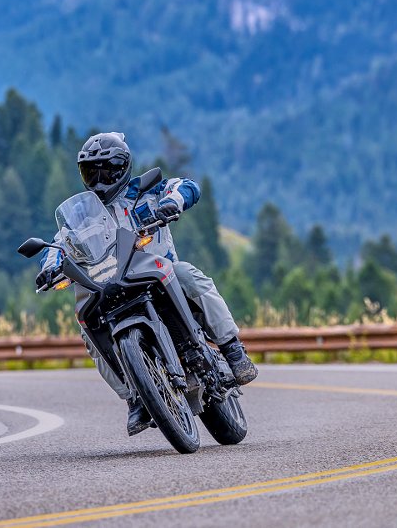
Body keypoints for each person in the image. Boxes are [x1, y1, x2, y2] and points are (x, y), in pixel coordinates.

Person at [36, 131, 258, 436]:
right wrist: (49, 267)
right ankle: (133, 398)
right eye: (91, 171)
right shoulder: (82, 216)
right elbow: (59, 244)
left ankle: (233, 349)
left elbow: (186, 186)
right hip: (109, 287)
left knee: (189, 275)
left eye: (107, 169)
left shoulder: (146, 191)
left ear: (123, 166)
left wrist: (173, 202)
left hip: (158, 273)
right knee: (87, 329)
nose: (100, 178)